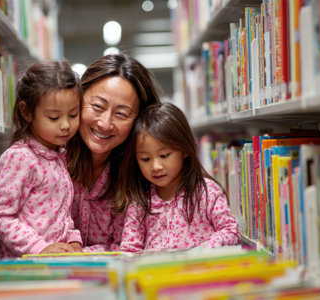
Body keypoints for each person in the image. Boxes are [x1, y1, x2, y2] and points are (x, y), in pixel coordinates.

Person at [66, 53, 161, 252]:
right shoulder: (50, 157)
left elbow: (132, 248)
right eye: (98, 106)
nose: (105, 123)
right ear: (79, 99)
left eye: (121, 114)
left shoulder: (147, 173)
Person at [0, 59, 83, 257]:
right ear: (26, 112)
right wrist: (39, 248)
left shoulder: (58, 154)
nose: (66, 125)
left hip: (54, 263)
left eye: (73, 115)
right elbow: (2, 217)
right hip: (26, 267)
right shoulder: (20, 158)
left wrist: (73, 239)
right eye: (54, 117)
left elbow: (60, 214)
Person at [119, 102, 240, 252]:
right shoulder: (140, 202)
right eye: (145, 159)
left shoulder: (206, 192)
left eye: (164, 155)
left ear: (184, 150)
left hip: (199, 271)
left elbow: (230, 230)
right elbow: (129, 249)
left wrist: (201, 251)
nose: (155, 166)